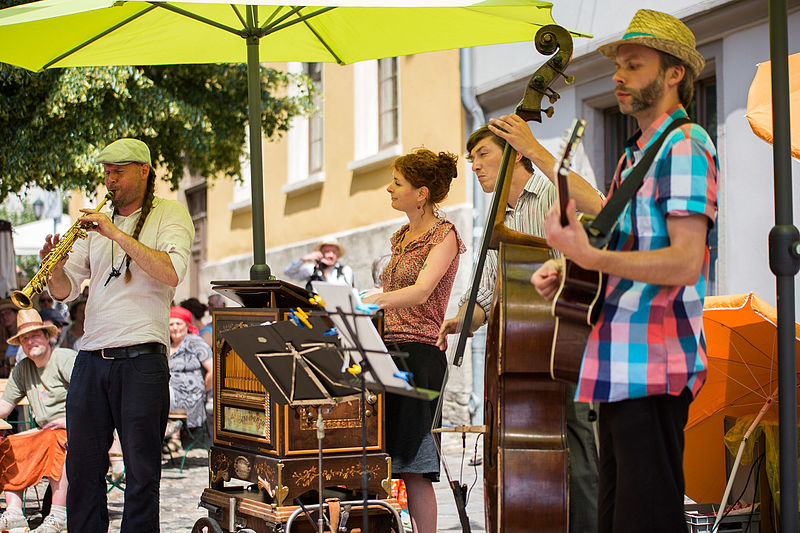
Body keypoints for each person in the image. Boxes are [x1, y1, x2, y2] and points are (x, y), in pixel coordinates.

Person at [498, 10, 718, 532]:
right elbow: (621, 244)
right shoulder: (635, 154)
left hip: (656, 363)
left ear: (673, 74)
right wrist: (566, 263)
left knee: (648, 519)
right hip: (620, 363)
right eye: (619, 66)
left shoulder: (686, 146)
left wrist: (593, 258)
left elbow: (687, 261)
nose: (618, 76)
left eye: (633, 65)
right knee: (618, 520)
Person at [435, 125, 602, 532]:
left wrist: (535, 148)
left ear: (513, 154)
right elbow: (487, 294)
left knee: (578, 446)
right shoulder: (496, 216)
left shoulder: (548, 191)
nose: (474, 166)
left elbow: (597, 206)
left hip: (565, 335)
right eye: (471, 158)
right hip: (524, 345)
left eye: (483, 155)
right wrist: (458, 319)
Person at [41, 138, 194, 533]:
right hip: (91, 357)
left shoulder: (170, 213)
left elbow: (172, 272)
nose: (110, 180)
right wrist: (52, 267)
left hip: (142, 359)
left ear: (144, 171)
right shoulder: (93, 222)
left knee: (142, 474)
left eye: (118, 172)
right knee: (83, 468)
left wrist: (115, 233)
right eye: (106, 172)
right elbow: (65, 290)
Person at [362, 148, 465, 533]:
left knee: (414, 466)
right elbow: (394, 288)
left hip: (420, 356)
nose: (389, 188)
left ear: (421, 193)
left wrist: (376, 298)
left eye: (397, 182)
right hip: (386, 351)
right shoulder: (401, 236)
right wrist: (366, 296)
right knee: (383, 457)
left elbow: (422, 292)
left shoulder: (445, 235)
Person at [0, 308, 77, 533]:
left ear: (47, 337)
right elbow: (5, 407)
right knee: (10, 445)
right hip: (45, 431)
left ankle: (59, 514)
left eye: (35, 335)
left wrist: (68, 420)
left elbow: (90, 396)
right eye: (25, 338)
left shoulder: (64, 358)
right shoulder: (23, 368)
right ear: (21, 345)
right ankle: (14, 514)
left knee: (57, 442)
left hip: (76, 429)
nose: (30, 341)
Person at [164, 306, 213, 452]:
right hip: (168, 395)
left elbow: (212, 369)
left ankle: (166, 429)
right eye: (171, 324)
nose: (175, 328)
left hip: (190, 395)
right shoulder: (166, 345)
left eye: (178, 323)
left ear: (187, 325)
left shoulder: (195, 343)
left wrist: (203, 392)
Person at [284, 238, 357, 291]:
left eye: (334, 252)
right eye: (327, 251)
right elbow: (288, 272)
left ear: (337, 254)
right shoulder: (312, 269)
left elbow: (346, 291)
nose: (330, 255)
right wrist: (304, 259)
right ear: (321, 253)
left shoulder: (345, 270)